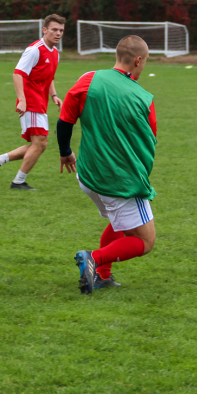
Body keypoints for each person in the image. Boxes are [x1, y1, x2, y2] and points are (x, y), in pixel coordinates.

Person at [57, 36, 157, 293]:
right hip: (120, 183)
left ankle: (102, 276)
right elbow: (150, 141)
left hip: (88, 175)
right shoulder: (143, 97)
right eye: (145, 61)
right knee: (145, 241)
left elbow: (65, 120)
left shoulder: (88, 79)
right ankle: (94, 259)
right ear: (138, 60)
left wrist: (65, 152)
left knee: (119, 222)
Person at [0, 14, 64, 190]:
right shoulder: (35, 50)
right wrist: (22, 100)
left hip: (41, 103)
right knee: (40, 143)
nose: (58, 33)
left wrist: (54, 95)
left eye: (61, 30)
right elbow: (18, 73)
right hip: (31, 102)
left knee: (39, 145)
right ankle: (18, 182)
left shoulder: (55, 53)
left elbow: (49, 77)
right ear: (45, 30)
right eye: (54, 30)